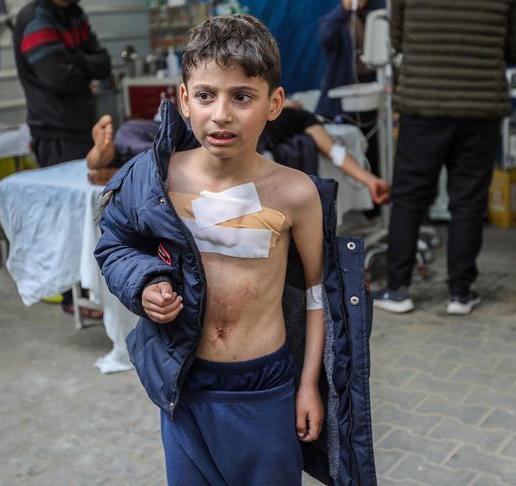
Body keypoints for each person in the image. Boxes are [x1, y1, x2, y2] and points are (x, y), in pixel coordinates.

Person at [95, 15, 376, 485]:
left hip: (264, 389)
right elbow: (116, 243)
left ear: (274, 103)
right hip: (185, 386)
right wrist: (144, 282)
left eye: (242, 97)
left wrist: (310, 386)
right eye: (206, 95)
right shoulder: (155, 179)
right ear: (184, 100)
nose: (221, 114)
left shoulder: (297, 194)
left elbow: (318, 295)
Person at [373, 0, 516, 315]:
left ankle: (397, 290)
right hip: (480, 105)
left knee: (410, 196)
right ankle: (460, 293)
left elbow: (398, 40)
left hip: (424, 102)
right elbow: (512, 47)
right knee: (468, 200)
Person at [86, 106, 390, 205]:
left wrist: (368, 179)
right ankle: (106, 157)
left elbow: (335, 151)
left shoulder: (301, 118)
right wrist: (369, 179)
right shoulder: (295, 116)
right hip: (184, 135)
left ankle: (106, 159)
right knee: (148, 139)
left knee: (145, 140)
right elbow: (336, 152)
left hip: (187, 138)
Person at [13, 0, 111, 167]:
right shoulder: (35, 19)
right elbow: (59, 79)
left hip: (85, 127)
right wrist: (87, 65)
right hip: (57, 136)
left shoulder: (75, 13)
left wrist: (74, 58)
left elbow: (104, 64)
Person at [315, 0, 386, 205]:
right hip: (341, 99)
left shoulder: (379, 12)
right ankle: (335, 208)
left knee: (372, 153)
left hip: (372, 96)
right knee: (338, 154)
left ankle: (374, 207)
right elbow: (327, 39)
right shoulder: (336, 18)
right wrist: (345, 10)